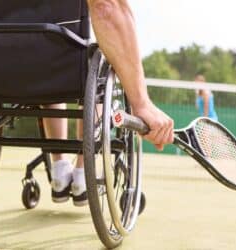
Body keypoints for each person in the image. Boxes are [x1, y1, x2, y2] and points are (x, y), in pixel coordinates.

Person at [43, 0, 174, 206]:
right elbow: (106, 7)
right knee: (90, 72)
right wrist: (141, 103)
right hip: (57, 62)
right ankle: (82, 172)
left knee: (44, 67)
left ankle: (59, 168)